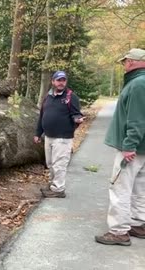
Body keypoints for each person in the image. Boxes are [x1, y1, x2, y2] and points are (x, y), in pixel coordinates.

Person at [96, 48, 145, 246]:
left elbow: (137, 119)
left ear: (133, 62)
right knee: (140, 188)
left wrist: (129, 146)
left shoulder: (138, 84)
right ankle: (138, 223)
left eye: (126, 61)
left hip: (133, 149)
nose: (124, 65)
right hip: (142, 149)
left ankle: (118, 231)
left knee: (120, 187)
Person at [34, 71, 85, 198]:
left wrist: (77, 119)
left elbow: (76, 113)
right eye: (58, 80)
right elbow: (42, 116)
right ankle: (53, 185)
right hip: (49, 136)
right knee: (50, 163)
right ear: (53, 82)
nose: (61, 82)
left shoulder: (70, 96)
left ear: (66, 82)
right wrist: (38, 133)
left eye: (63, 80)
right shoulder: (48, 96)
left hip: (63, 138)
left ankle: (58, 190)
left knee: (59, 164)